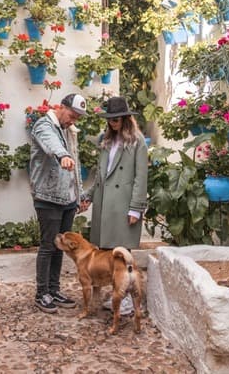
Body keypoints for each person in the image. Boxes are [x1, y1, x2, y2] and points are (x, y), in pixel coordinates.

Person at [84, 96, 148, 316]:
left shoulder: (137, 141)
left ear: (126, 118)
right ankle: (116, 296)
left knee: (123, 255)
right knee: (108, 256)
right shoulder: (105, 139)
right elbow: (101, 175)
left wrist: (136, 208)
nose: (113, 122)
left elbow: (141, 176)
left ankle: (129, 300)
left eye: (117, 118)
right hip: (104, 204)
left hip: (123, 205)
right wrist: (89, 196)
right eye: (110, 118)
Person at [29, 93, 88, 313]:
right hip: (48, 198)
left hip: (67, 200)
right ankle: (41, 293)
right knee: (47, 246)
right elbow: (52, 145)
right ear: (61, 107)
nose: (73, 121)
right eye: (72, 115)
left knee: (60, 247)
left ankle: (54, 290)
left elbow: (76, 164)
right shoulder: (44, 125)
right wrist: (62, 155)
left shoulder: (68, 131)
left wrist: (79, 196)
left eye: (77, 118)